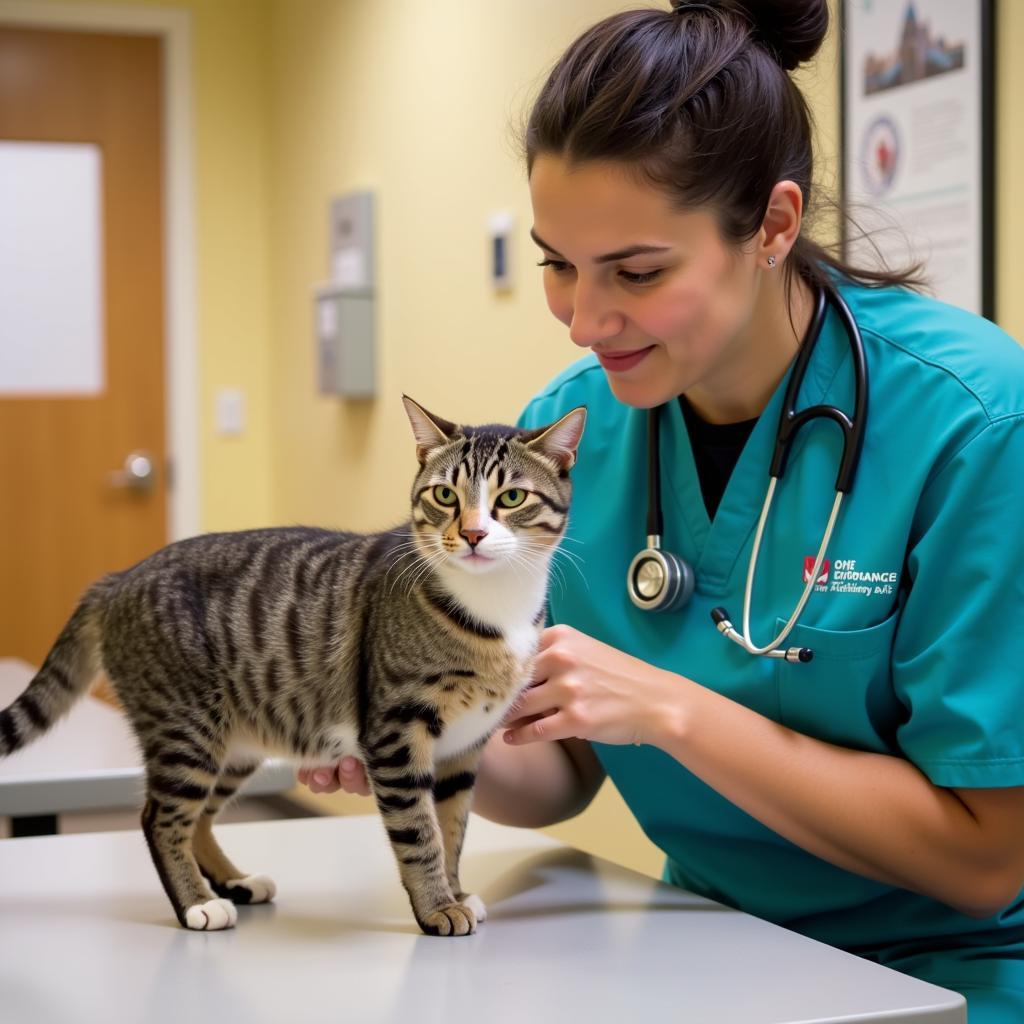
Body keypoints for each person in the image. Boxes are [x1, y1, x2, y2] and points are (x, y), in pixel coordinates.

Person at [301, 1, 1024, 1016]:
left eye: (635, 272)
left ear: (772, 225)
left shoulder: (975, 423)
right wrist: (409, 752)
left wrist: (675, 711)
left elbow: (987, 857)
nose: (584, 322)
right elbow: (563, 769)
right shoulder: (564, 434)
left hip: (940, 973)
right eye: (557, 263)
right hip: (705, 944)